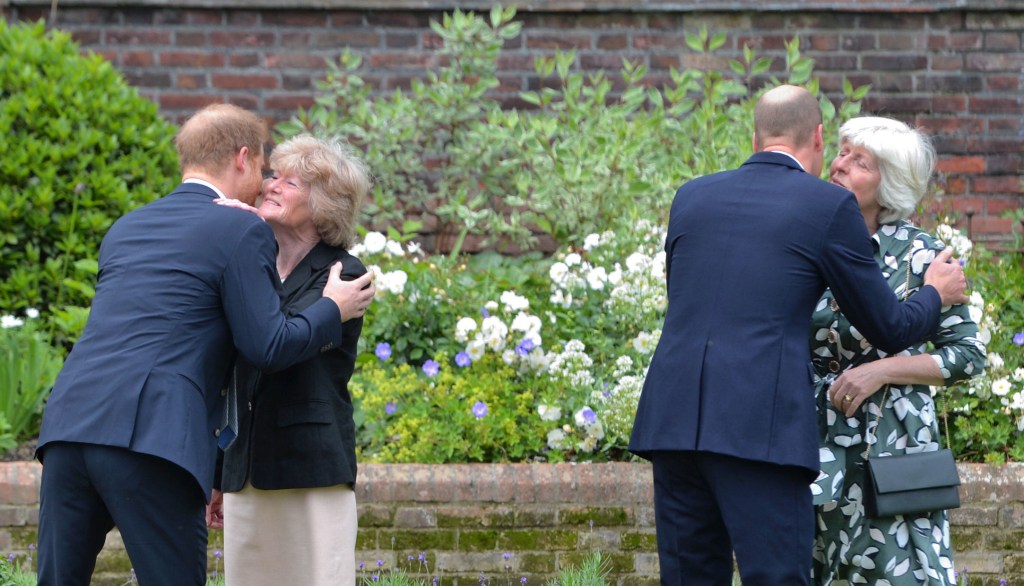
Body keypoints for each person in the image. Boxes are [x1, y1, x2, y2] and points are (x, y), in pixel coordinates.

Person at [628, 85, 970, 586]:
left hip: (673, 421)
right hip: (757, 429)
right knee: (777, 577)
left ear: (756, 136)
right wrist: (935, 295)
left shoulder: (692, 196)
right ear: (817, 135)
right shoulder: (827, 206)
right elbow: (889, 327)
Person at [34, 104, 376, 586]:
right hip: (151, 437)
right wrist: (330, 309)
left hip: (69, 426)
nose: (265, 184)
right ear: (242, 158)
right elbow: (268, 345)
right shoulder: (239, 229)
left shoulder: (128, 226)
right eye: (264, 169)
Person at [810, 117, 986, 585]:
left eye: (858, 160)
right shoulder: (811, 242)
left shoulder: (922, 256)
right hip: (816, 440)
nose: (839, 164)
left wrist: (882, 371)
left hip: (892, 447)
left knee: (893, 570)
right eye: (842, 152)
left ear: (889, 184)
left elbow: (968, 354)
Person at [204, 135, 370, 585]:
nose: (270, 186)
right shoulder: (253, 262)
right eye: (272, 176)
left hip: (310, 469)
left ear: (324, 204)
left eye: (289, 182)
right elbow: (234, 374)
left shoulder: (343, 275)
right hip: (246, 471)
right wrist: (219, 474)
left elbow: (278, 343)